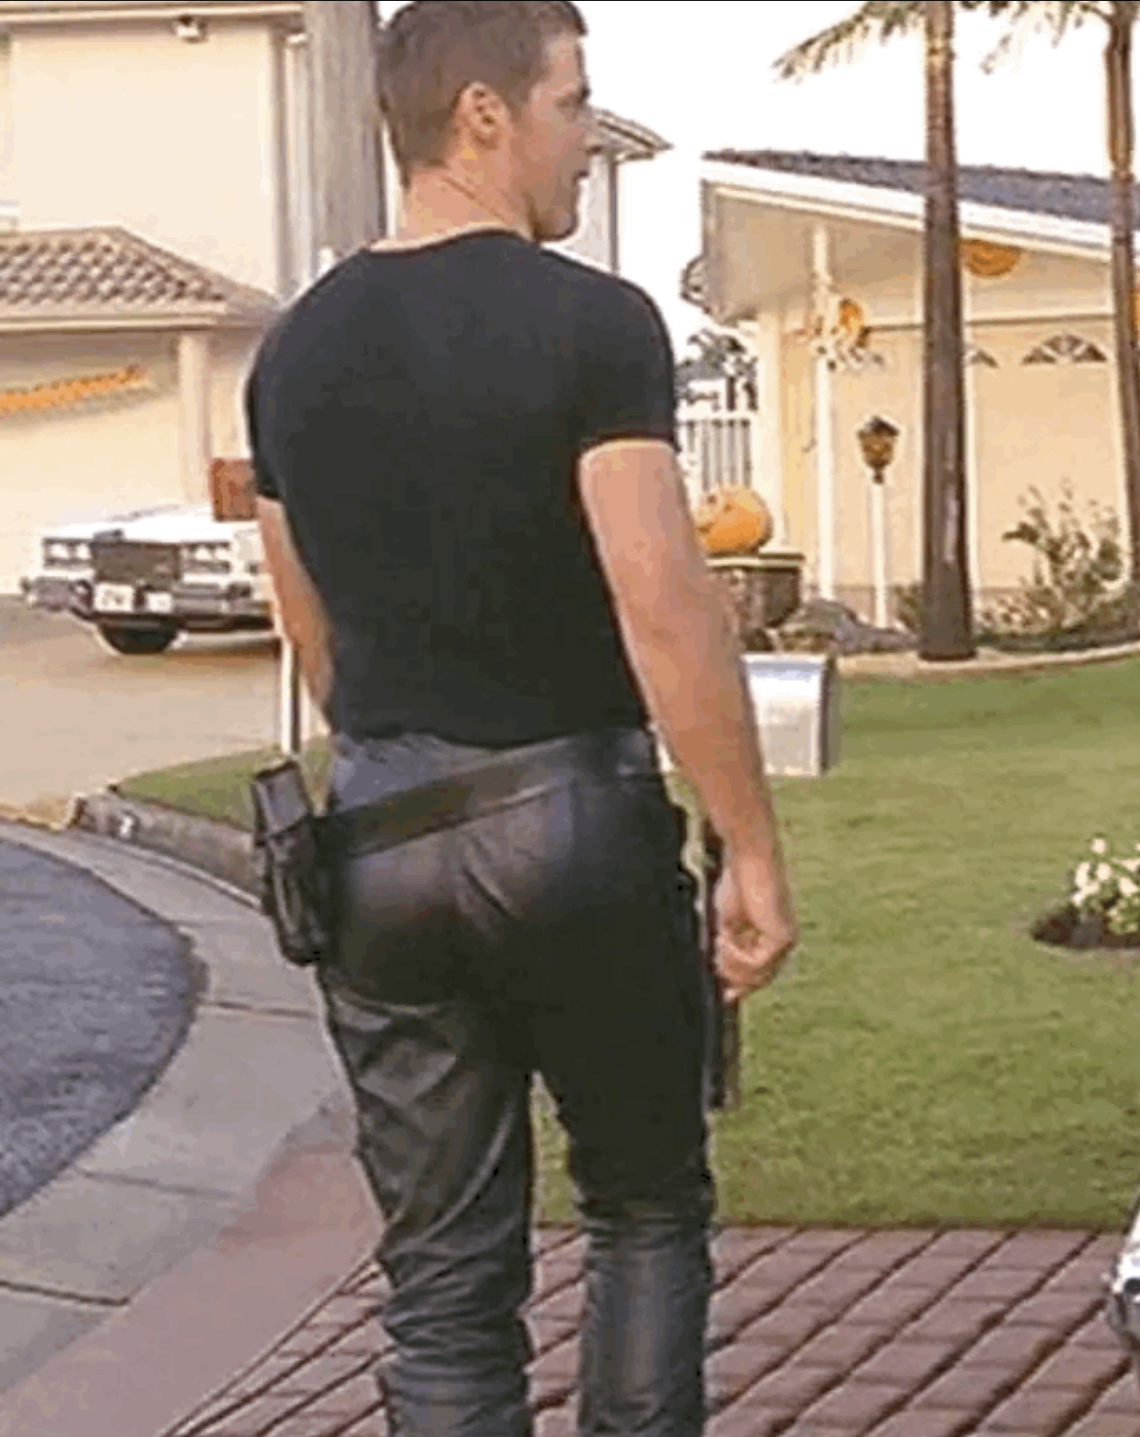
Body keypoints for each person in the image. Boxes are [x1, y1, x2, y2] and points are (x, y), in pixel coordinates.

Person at [245, 3, 797, 1433]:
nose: (584, 138)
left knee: (441, 1280)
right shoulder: (594, 324)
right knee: (644, 1207)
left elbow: (314, 639)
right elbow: (663, 603)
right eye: (572, 102)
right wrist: (747, 845)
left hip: (379, 846)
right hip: (571, 825)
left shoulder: (291, 354)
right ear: (482, 115)